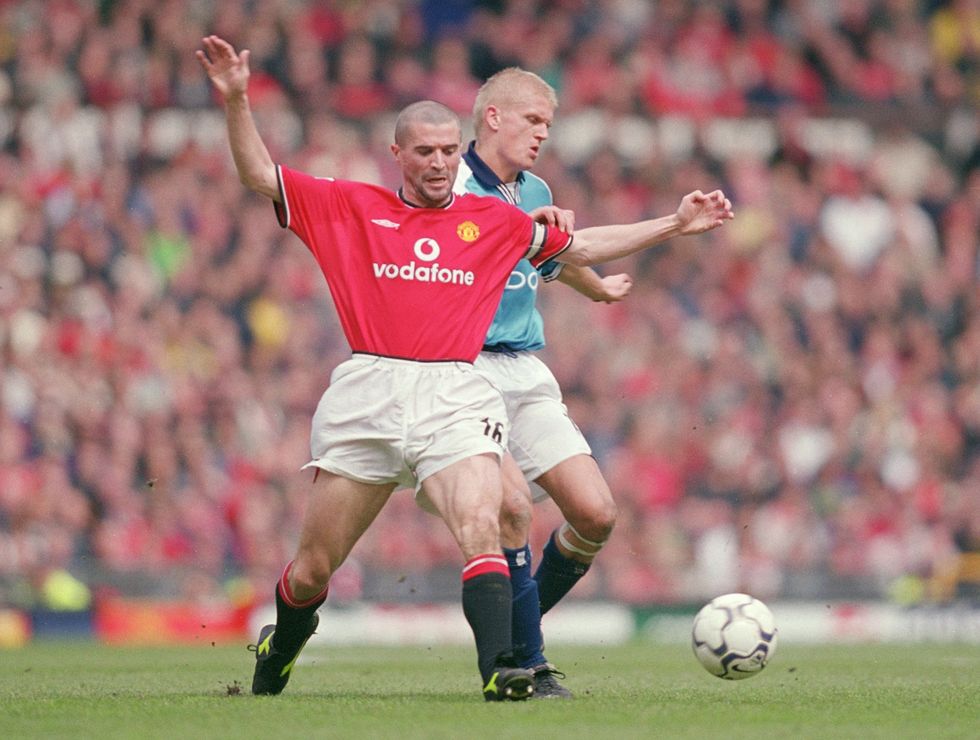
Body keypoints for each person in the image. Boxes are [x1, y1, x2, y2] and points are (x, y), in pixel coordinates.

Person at [195, 34, 733, 701]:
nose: (441, 163)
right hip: (370, 390)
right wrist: (239, 101)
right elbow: (258, 175)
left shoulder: (495, 218)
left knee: (489, 518)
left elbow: (581, 246)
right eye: (425, 152)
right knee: (312, 570)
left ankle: (505, 670)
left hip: (454, 388)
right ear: (398, 155)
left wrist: (673, 226)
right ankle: (283, 641)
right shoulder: (352, 206)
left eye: (450, 151)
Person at [453, 68, 633, 698]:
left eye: (548, 125)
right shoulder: (450, 185)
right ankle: (527, 655)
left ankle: (508, 614)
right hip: (461, 363)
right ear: (494, 116)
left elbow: (552, 253)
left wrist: (599, 288)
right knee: (513, 507)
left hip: (524, 366)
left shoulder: (536, 188)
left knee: (595, 512)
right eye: (533, 120)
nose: (542, 135)